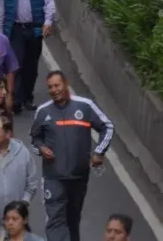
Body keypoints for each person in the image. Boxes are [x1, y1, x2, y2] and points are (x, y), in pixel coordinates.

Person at [32, 71, 114, 241]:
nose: (54, 90)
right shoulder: (43, 111)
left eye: (57, 85)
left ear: (65, 85)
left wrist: (99, 152)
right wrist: (41, 148)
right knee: (55, 221)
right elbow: (34, 138)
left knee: (72, 220)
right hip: (53, 177)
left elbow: (108, 126)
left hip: (79, 176)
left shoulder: (85, 106)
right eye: (50, 87)